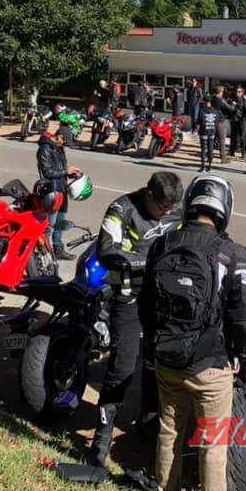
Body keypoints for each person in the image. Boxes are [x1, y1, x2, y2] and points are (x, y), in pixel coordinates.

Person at [139, 175, 246, 491]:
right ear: (224, 209)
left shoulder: (162, 243)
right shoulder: (233, 254)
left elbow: (145, 303)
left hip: (166, 360)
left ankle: (165, 486)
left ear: (190, 203)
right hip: (211, 367)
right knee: (212, 443)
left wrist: (153, 347)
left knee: (169, 431)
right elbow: (243, 318)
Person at [90, 172, 184, 467]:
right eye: (163, 207)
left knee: (157, 367)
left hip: (162, 298)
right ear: (149, 194)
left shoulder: (176, 212)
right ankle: (99, 445)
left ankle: (149, 427)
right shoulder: (122, 208)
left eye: (172, 208)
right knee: (121, 368)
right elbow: (106, 252)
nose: (168, 213)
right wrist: (150, 261)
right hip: (129, 296)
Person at [36, 128, 82, 259]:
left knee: (61, 222)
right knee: (49, 225)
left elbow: (61, 168)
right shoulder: (45, 149)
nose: (65, 145)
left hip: (62, 188)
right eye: (65, 142)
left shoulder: (59, 148)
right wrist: (66, 171)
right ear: (59, 136)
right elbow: (48, 172)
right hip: (52, 190)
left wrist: (71, 173)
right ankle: (45, 253)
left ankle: (58, 249)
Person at [196, 95, 223, 172]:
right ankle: (210, 166)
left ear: (205, 102)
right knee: (211, 150)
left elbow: (198, 121)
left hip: (203, 132)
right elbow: (221, 119)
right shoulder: (216, 111)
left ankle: (203, 167)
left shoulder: (201, 111)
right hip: (212, 132)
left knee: (203, 150)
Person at [211, 86, 234, 164]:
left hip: (213, 120)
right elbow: (231, 109)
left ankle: (209, 156)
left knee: (212, 140)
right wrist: (233, 104)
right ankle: (223, 159)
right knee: (222, 141)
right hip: (221, 121)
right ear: (221, 92)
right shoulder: (221, 100)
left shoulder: (212, 98)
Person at [230, 86, 246, 158]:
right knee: (233, 137)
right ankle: (232, 152)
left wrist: (243, 119)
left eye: (239, 91)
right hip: (234, 120)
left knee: (243, 138)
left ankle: (243, 153)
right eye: (236, 91)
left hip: (241, 121)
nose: (237, 93)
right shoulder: (233, 99)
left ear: (242, 92)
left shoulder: (244, 100)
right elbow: (230, 109)